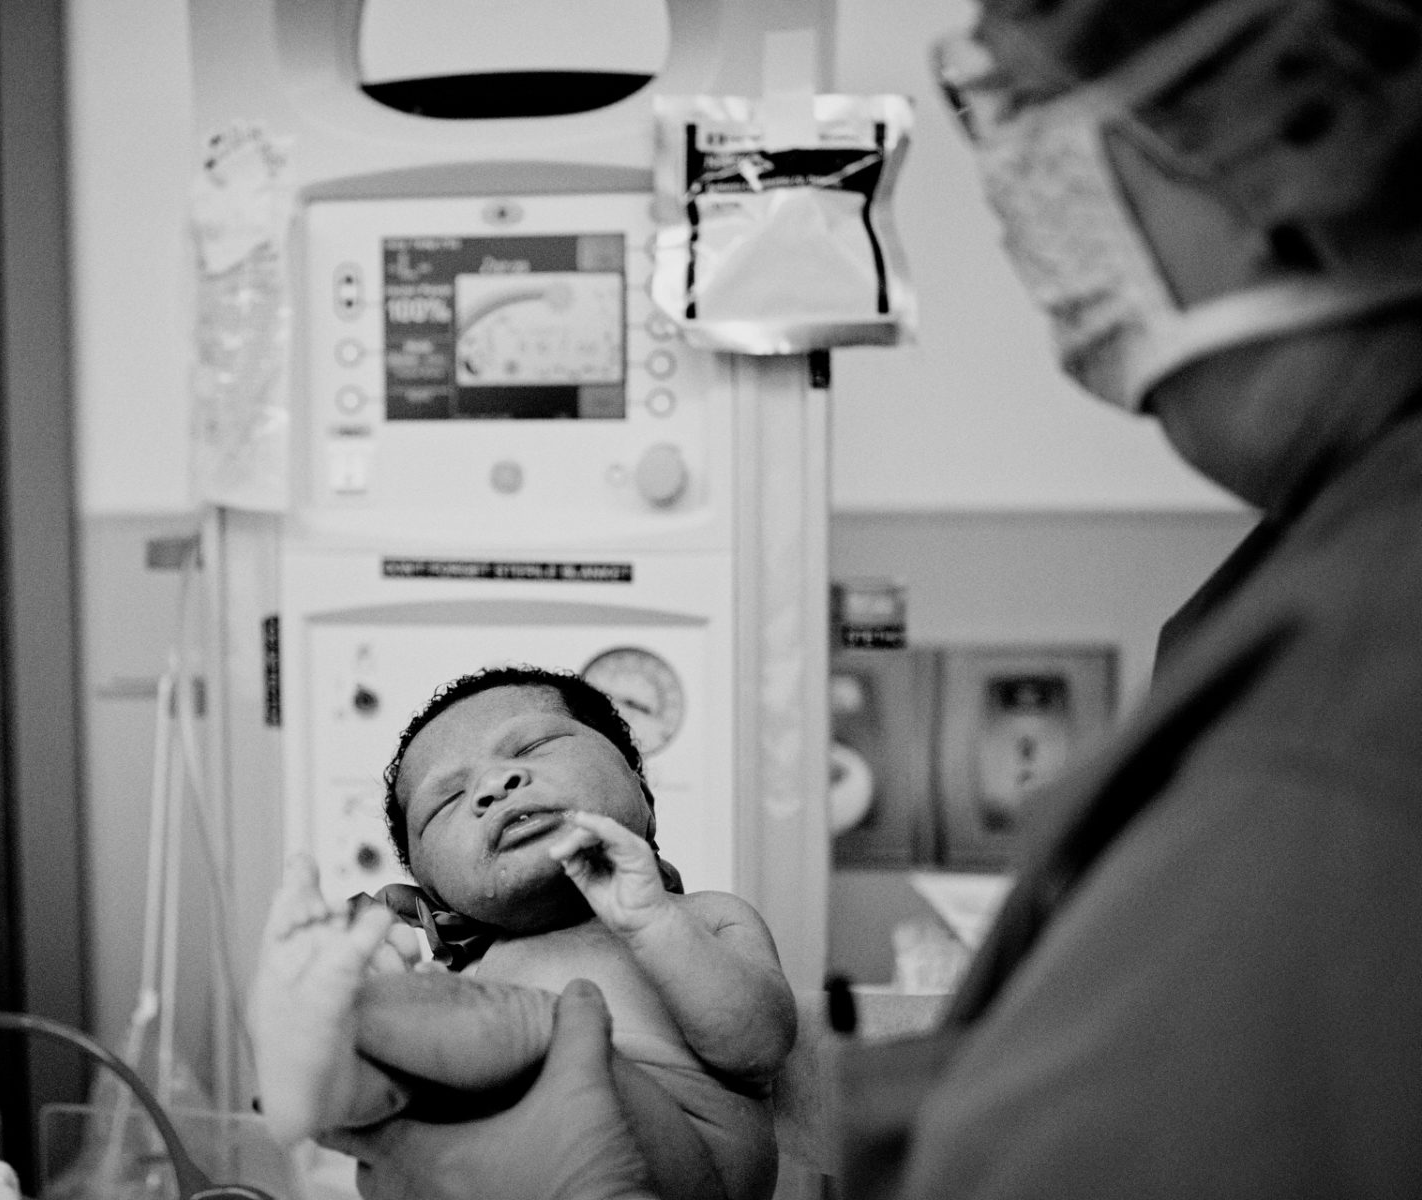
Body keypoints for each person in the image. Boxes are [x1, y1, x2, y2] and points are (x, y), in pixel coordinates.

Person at [327, 0, 1422, 1197]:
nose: (1021, 196)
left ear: (1313, 127)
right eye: (447, 799)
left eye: (1022, 107)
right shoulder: (1316, 590)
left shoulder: (1338, 723)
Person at [248, 665, 798, 1200]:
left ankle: (348, 1028)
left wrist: (652, 921)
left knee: (527, 1027)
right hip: (521, 1171)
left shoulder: (705, 918)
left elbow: (759, 1044)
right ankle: (322, 1072)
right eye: (446, 801)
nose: (493, 785)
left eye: (533, 747)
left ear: (644, 797)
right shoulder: (473, 969)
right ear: (433, 888)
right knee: (423, 1066)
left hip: (686, 1153)